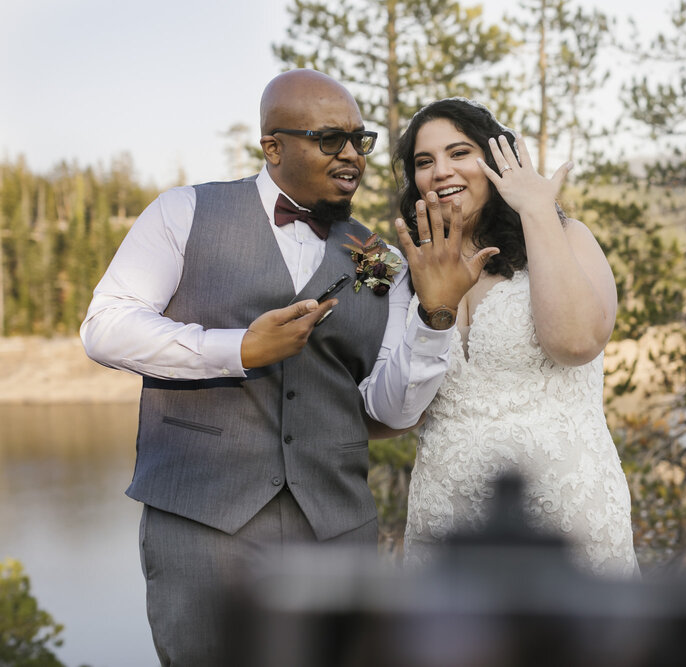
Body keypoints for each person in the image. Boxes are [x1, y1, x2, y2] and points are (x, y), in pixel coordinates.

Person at [80, 70, 494, 666]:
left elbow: (392, 407)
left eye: (360, 140)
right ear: (272, 146)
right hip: (201, 523)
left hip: (336, 530)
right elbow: (106, 325)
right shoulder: (184, 213)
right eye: (331, 140)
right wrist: (236, 350)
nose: (352, 155)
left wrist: (435, 314)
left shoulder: (379, 258)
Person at [391, 98, 639, 578]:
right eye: (425, 162)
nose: (440, 171)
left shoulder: (568, 237)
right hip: (442, 513)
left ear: (496, 160)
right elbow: (400, 404)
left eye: (459, 153)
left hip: (562, 506)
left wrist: (537, 210)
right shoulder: (411, 269)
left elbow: (575, 343)